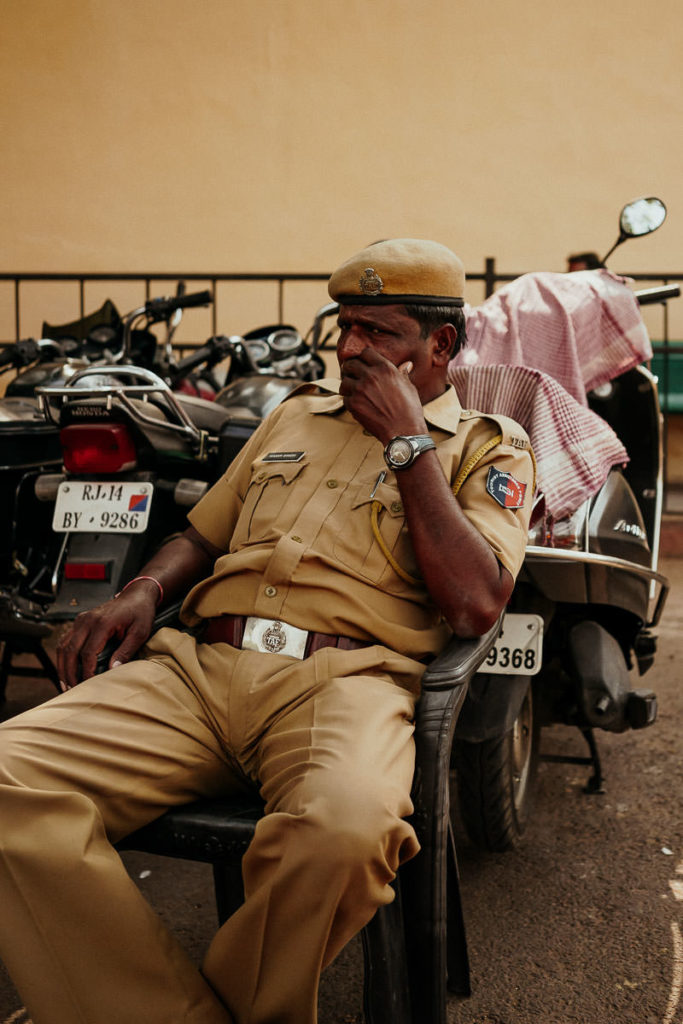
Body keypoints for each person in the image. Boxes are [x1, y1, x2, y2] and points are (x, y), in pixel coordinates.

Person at [0, 238, 534, 1024]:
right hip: (195, 671)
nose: (349, 347)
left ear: (440, 346)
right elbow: (204, 536)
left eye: (378, 332)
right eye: (344, 326)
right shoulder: (292, 415)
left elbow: (474, 605)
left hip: (344, 687)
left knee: (347, 835)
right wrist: (145, 590)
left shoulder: (488, 445)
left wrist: (406, 443)